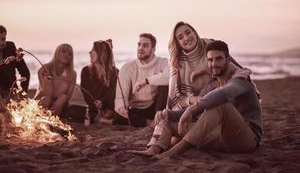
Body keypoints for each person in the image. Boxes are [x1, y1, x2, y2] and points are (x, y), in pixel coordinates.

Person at [134, 40, 262, 158]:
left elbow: (224, 93)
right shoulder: (213, 85)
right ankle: (153, 150)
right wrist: (167, 113)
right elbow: (199, 110)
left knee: (221, 104)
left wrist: (192, 108)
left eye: (218, 59)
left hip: (246, 139)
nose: (214, 64)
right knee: (166, 118)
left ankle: (174, 152)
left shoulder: (241, 77)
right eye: (210, 60)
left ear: (228, 60)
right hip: (219, 137)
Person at [113, 33, 169, 127]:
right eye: (139, 44)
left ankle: (157, 118)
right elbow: (121, 96)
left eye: (145, 45)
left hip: (155, 107)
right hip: (135, 109)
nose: (140, 48)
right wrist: (121, 107)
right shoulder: (128, 68)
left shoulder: (162, 62)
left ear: (153, 49)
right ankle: (151, 123)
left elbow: (170, 76)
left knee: (164, 84)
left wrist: (146, 81)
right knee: (118, 116)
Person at [80, 40, 118, 123]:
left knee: (121, 113)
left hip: (109, 108)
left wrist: (103, 103)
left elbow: (113, 93)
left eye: (93, 50)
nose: (90, 52)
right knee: (72, 110)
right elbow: (86, 94)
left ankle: (104, 117)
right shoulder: (86, 71)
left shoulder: (115, 72)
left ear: (101, 54)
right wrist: (96, 105)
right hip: (93, 108)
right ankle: (101, 119)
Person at [35, 44, 76, 116]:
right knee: (47, 99)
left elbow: (68, 96)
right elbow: (47, 93)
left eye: (69, 54)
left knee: (63, 97)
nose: (67, 54)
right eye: (63, 51)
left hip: (60, 105)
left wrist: (58, 102)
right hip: (43, 102)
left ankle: (52, 117)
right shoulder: (45, 68)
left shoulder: (72, 74)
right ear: (57, 52)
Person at [0, 25, 30, 104]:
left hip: (9, 89)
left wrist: (23, 91)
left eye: (3, 39)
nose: (1, 42)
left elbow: (25, 71)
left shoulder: (10, 47)